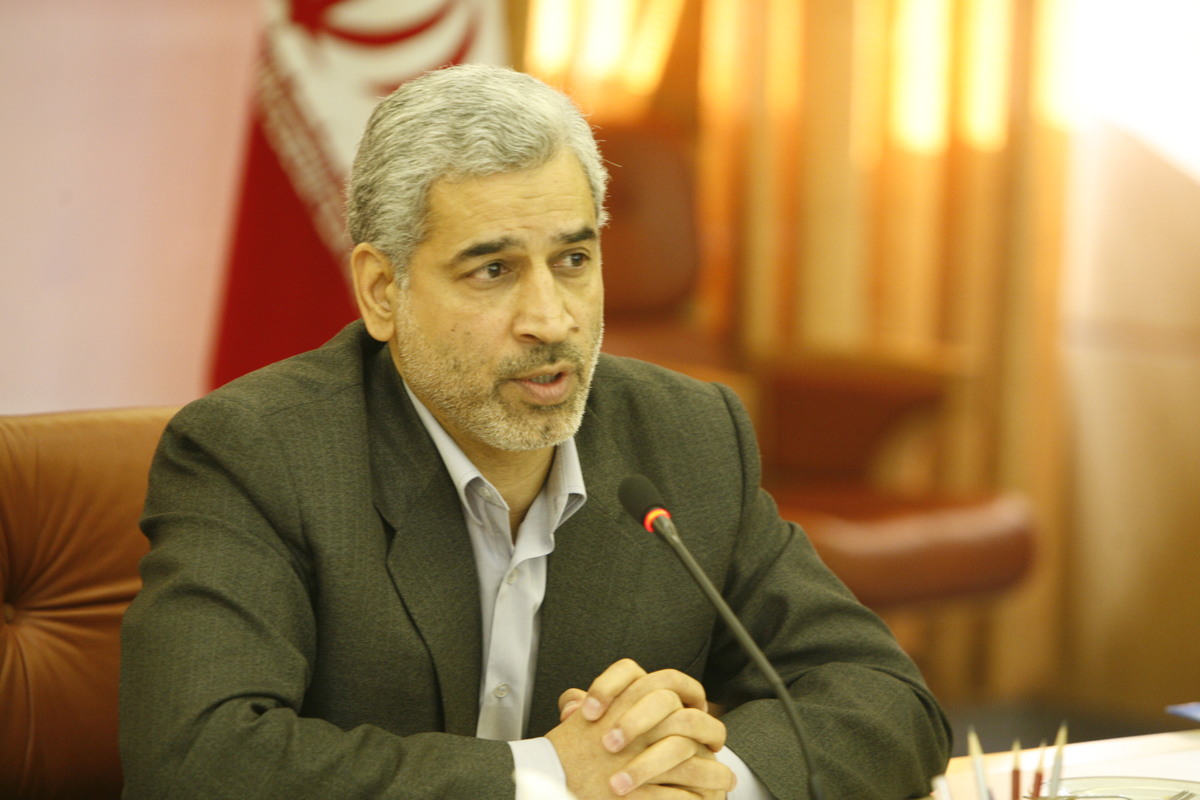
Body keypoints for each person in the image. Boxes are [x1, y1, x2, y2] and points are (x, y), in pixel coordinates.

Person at [119, 64, 951, 799]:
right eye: (494, 270)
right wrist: (551, 779)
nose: (550, 320)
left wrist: (699, 779)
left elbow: (887, 701)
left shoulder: (688, 437)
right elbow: (195, 762)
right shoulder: (256, 453)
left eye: (573, 261)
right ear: (380, 292)